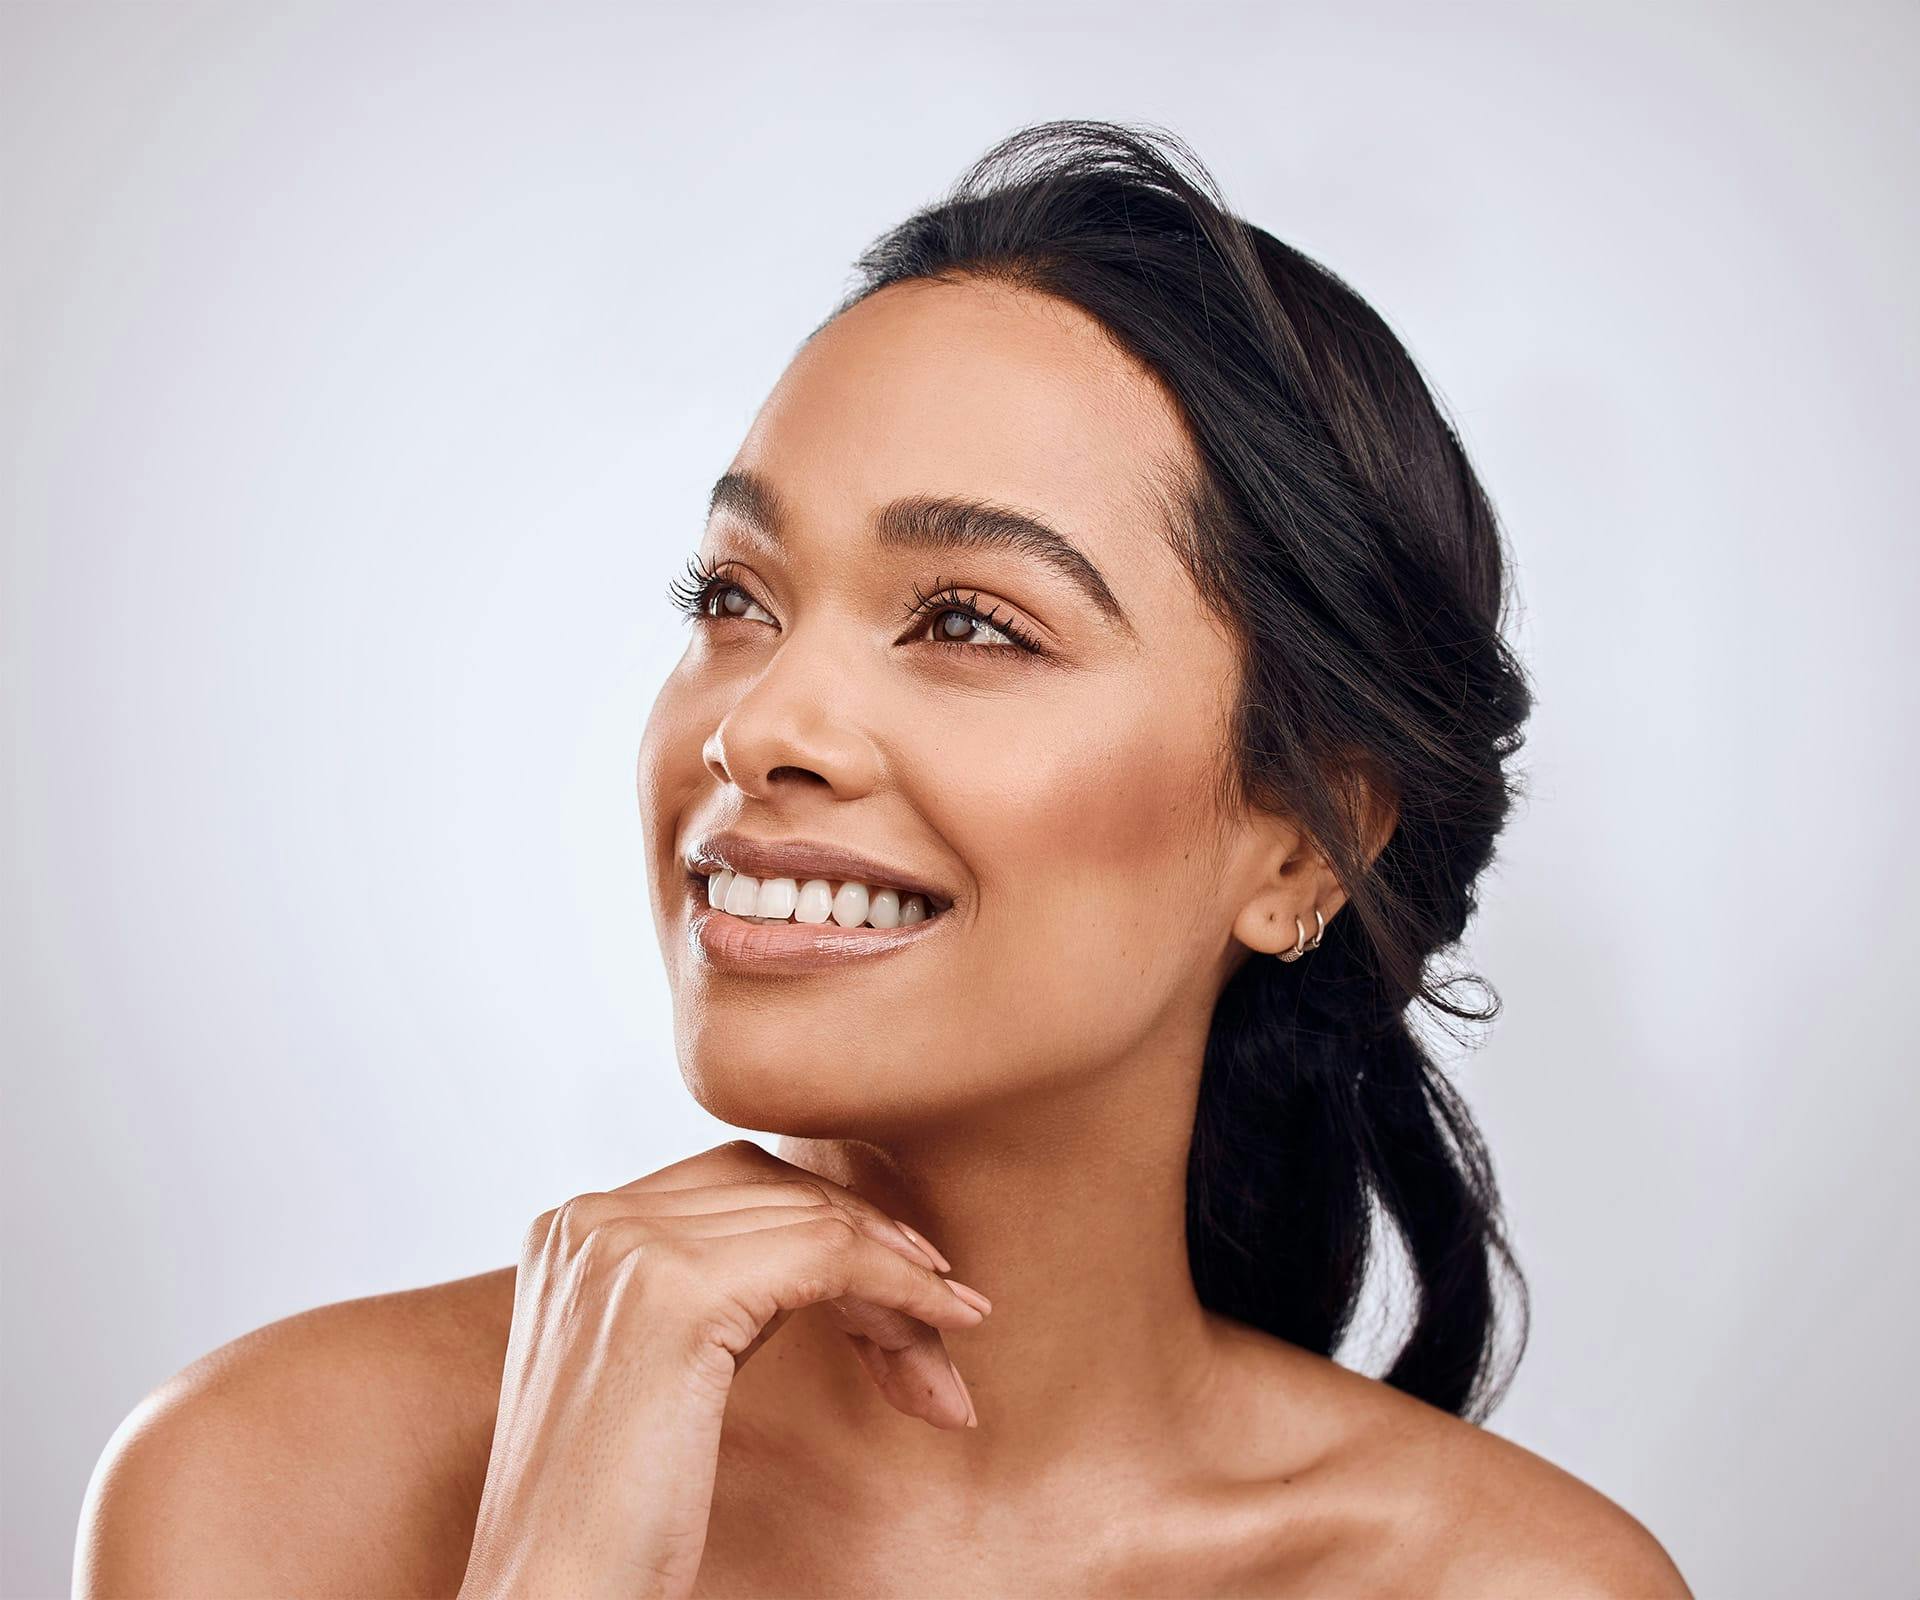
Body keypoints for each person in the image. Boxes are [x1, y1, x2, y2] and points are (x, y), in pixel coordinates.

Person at [75, 119, 1691, 1597]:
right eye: (733, 599)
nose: (761, 721)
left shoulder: (1513, 1585)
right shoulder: (270, 1492)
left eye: (969, 622)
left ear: (1301, 845)